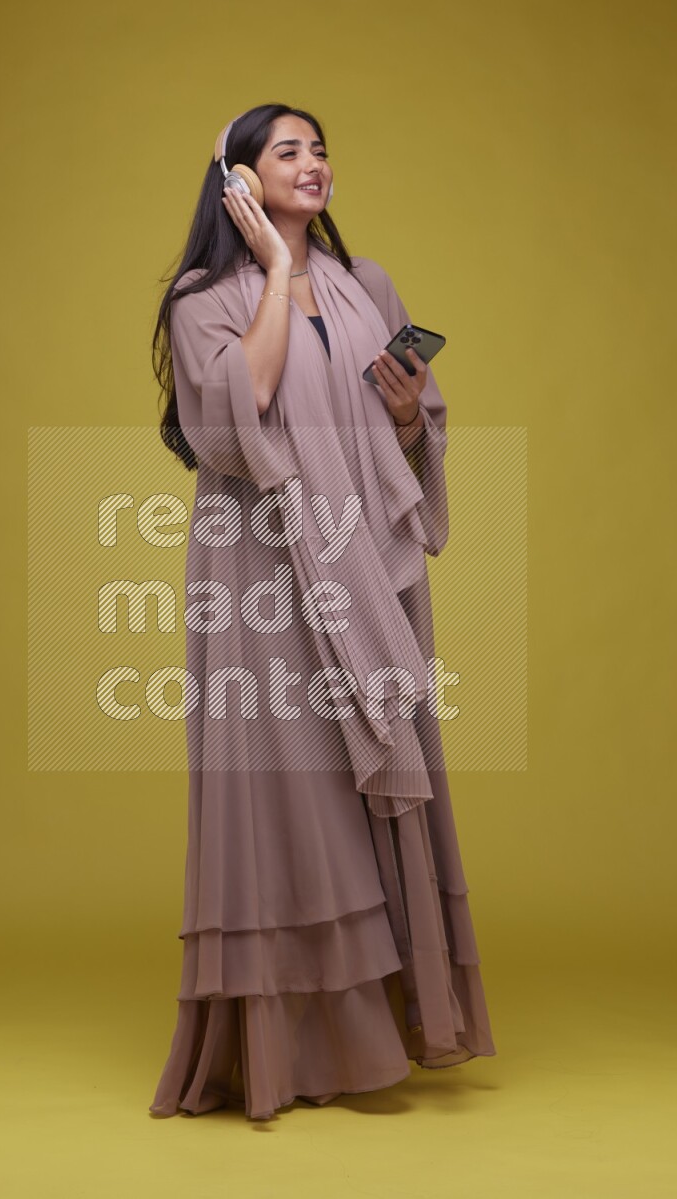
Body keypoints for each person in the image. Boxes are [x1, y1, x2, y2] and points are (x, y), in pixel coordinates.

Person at [148, 103, 496, 1122]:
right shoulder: (203, 298)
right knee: (284, 786)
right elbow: (231, 420)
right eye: (286, 151)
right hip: (259, 563)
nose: (314, 164)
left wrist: (404, 404)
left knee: (373, 771)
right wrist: (274, 274)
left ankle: (389, 1020)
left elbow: (407, 429)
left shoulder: (365, 285)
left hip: (367, 567)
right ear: (239, 182)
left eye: (319, 148)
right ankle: (285, 1046)